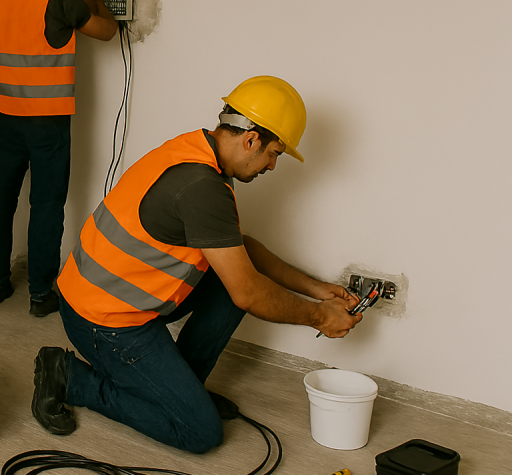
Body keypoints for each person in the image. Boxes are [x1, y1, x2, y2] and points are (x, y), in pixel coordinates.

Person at [30, 76, 363, 452]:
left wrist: (316, 289)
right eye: (274, 154)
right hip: (104, 323)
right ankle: (71, 379)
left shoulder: (199, 153)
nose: (271, 166)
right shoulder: (202, 187)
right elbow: (250, 293)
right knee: (200, 432)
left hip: (113, 300)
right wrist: (320, 316)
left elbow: (241, 249)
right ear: (251, 139)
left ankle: (183, 391)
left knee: (232, 281)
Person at [0, 0, 118, 318]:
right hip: (47, 122)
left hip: (2, 117)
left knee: (0, 197)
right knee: (46, 204)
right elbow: (106, 31)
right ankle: (41, 294)